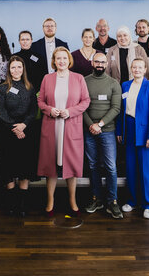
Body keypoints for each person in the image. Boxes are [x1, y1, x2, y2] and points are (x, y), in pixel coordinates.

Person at [37, 47, 90, 217]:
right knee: (50, 166)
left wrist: (71, 111)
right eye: (58, 58)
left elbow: (85, 100)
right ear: (54, 61)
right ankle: (50, 201)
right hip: (52, 125)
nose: (61, 61)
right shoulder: (47, 78)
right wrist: (49, 110)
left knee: (71, 166)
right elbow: (40, 101)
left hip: (71, 125)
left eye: (64, 58)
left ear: (69, 61)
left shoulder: (78, 78)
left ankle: (72, 201)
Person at [116, 58, 149, 219]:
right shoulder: (125, 85)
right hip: (129, 129)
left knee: (146, 170)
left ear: (145, 69)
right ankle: (132, 201)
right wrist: (120, 131)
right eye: (134, 67)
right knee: (131, 169)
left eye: (140, 67)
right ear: (131, 68)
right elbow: (121, 111)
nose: (137, 69)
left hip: (144, 132)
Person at [0, 56, 37, 216]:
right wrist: (14, 127)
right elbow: (0, 111)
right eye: (13, 67)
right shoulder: (3, 88)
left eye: (19, 67)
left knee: (24, 168)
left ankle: (23, 203)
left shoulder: (29, 87)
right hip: (7, 133)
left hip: (26, 133)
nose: (16, 70)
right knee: (8, 168)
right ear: (9, 70)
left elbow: (33, 110)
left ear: (23, 69)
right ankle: (11, 203)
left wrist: (23, 125)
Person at [83, 52, 122, 219]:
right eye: (97, 61)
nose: (99, 64)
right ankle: (96, 199)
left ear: (107, 64)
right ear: (92, 63)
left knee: (110, 167)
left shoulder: (114, 83)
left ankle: (112, 201)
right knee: (92, 166)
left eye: (102, 62)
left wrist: (99, 125)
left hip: (107, 131)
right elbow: (81, 106)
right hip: (88, 130)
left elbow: (116, 108)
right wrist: (91, 125)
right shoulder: (84, 81)